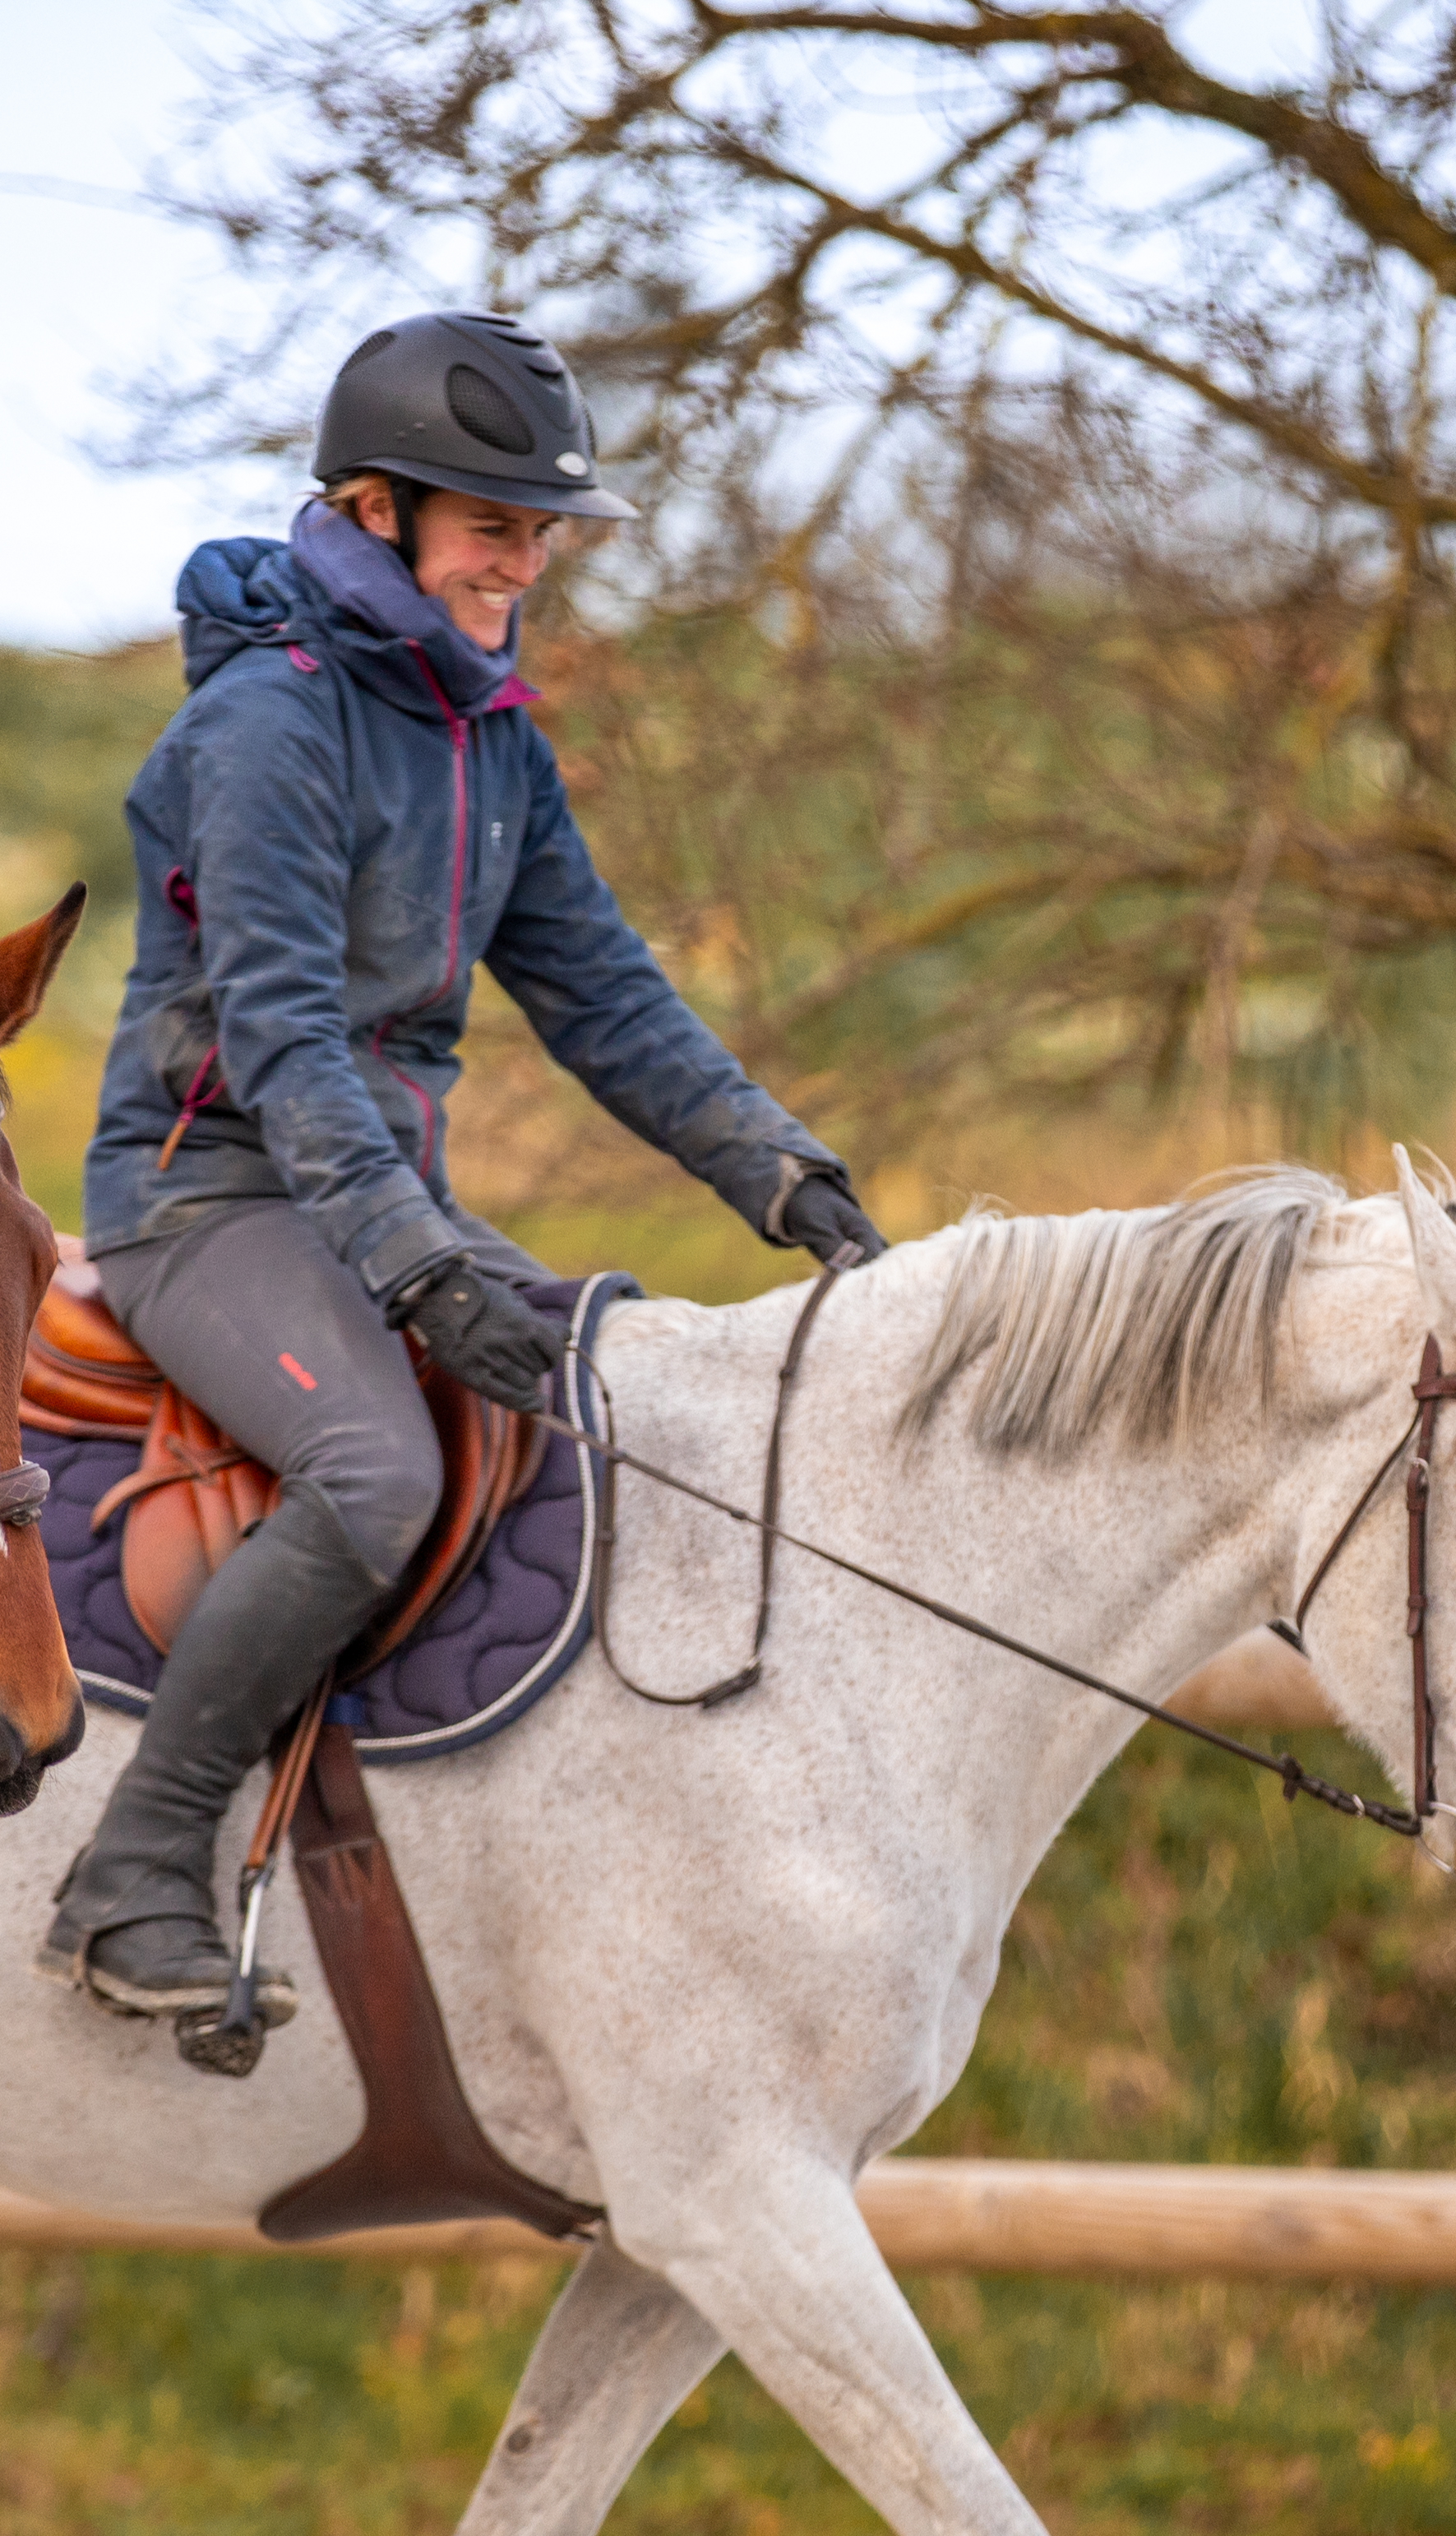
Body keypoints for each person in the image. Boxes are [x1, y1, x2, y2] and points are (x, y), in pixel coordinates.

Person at [51, 310, 887, 2028]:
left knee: (634, 1388)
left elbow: (606, 997)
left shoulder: (489, 733)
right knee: (372, 1473)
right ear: (376, 512)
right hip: (211, 1196)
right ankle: (134, 1866)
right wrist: (418, 1268)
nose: (526, 563)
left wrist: (781, 1176)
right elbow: (283, 1043)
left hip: (377, 1199)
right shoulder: (270, 729)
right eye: (492, 527)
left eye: (542, 532)